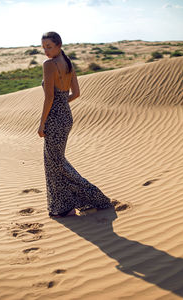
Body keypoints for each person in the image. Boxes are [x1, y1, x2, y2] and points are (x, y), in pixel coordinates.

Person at [38, 31, 113, 218]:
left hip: (54, 119)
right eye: (43, 47)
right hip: (66, 117)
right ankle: (65, 205)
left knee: (55, 163)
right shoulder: (68, 62)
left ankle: (90, 199)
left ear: (59, 45)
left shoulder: (49, 65)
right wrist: (61, 105)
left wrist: (42, 123)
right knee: (56, 162)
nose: (46, 51)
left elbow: (49, 97)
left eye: (49, 47)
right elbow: (76, 93)